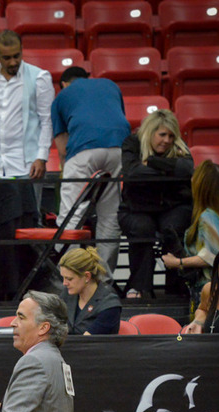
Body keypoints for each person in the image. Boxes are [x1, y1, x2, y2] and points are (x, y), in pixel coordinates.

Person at [50, 67, 131, 272]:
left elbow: (62, 149)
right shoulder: (110, 85)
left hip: (83, 149)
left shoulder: (62, 96)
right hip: (118, 149)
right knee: (110, 214)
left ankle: (72, 276)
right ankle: (103, 278)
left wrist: (65, 175)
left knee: (71, 214)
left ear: (65, 84)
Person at [117, 109, 193, 300]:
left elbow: (186, 169)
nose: (167, 140)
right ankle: (139, 287)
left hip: (173, 205)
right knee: (143, 228)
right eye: (162, 135)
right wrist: (169, 170)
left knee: (172, 228)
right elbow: (132, 172)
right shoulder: (132, 143)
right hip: (136, 208)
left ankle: (176, 288)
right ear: (150, 132)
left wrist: (151, 162)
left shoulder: (179, 146)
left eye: (170, 136)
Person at [0, 31, 53, 186]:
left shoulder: (40, 77)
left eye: (16, 56)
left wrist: (41, 157)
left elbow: (47, 120)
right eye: (7, 58)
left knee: (29, 211)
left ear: (22, 50)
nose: (13, 62)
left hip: (28, 167)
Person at [162, 160, 219, 300]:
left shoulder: (207, 217)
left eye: (195, 177)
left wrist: (177, 262)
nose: (191, 180)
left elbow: (212, 256)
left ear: (202, 186)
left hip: (209, 290)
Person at [58, 247, 121, 335]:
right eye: (63, 278)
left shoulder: (108, 304)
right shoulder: (66, 295)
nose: (64, 283)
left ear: (87, 276)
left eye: (69, 279)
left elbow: (86, 342)